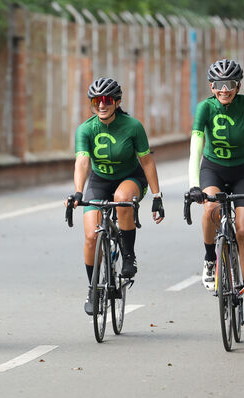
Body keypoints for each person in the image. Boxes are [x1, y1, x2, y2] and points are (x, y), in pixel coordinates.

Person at [188, 59, 244, 324]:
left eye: (229, 84)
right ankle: (209, 260)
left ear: (238, 85)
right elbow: (196, 145)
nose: (223, 90)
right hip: (213, 169)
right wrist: (194, 184)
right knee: (211, 208)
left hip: (243, 171)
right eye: (218, 85)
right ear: (211, 86)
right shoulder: (205, 108)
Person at [66, 77, 164, 315]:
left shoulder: (132, 126)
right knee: (91, 236)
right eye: (96, 100)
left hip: (130, 178)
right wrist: (79, 191)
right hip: (99, 181)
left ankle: (129, 255)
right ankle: (93, 288)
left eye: (107, 100)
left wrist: (156, 196)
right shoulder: (86, 129)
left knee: (122, 199)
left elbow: (147, 161)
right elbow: (82, 161)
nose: (102, 104)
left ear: (117, 102)